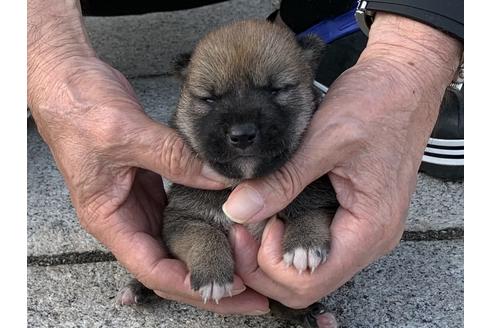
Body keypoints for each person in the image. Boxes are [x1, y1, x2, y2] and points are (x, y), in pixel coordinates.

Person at [27, 0, 463, 315]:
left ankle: (354, 22)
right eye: (208, 98)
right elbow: (183, 221)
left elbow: (318, 207)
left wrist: (415, 55)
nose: (240, 129)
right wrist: (46, 65)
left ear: (307, 70)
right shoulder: (188, 180)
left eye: (277, 91)